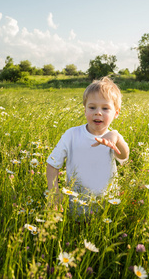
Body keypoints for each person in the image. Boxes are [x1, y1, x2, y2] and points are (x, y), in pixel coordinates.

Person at [46, 77, 129, 211]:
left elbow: (124, 156)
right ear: (85, 110)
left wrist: (117, 138)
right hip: (75, 204)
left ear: (116, 113)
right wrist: (54, 192)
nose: (98, 112)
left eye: (105, 108)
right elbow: (52, 164)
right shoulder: (71, 135)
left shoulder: (113, 137)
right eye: (92, 107)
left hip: (107, 205)